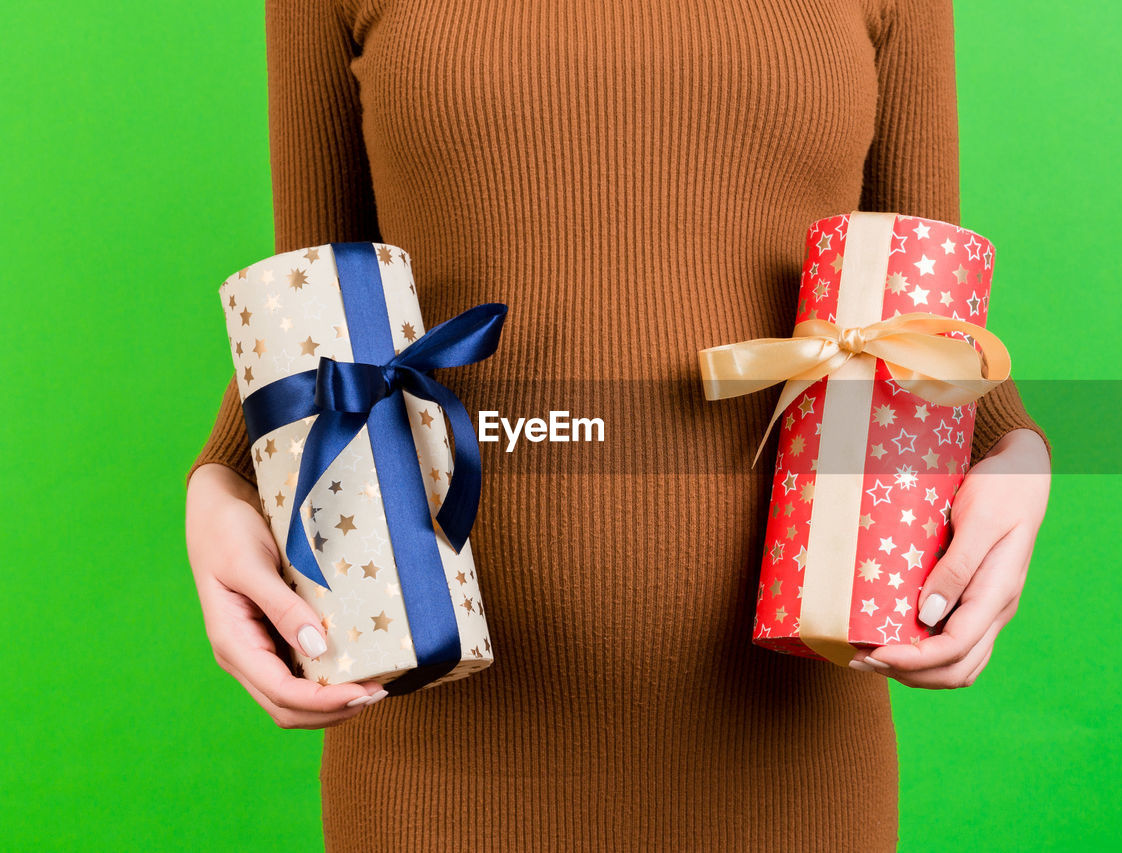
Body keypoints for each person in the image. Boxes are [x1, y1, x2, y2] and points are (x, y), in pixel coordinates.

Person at [184, 0, 1052, 849]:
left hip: (793, 761)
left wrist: (1015, 450)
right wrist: (220, 479)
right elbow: (314, 307)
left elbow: (922, 307)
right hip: (435, 759)